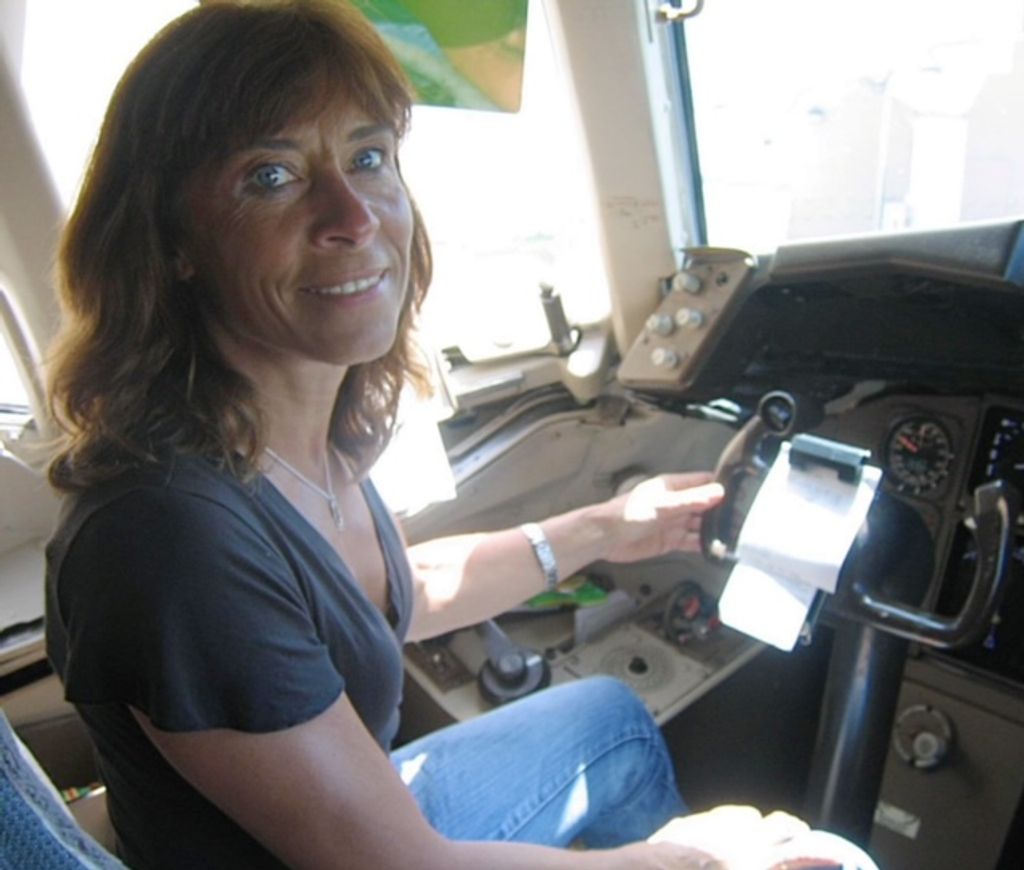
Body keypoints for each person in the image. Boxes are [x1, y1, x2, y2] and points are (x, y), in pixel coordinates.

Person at [41, 2, 801, 868]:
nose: (353, 215)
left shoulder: (295, 440)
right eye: (272, 176)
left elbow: (390, 592)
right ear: (171, 241)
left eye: (367, 158)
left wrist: (604, 529)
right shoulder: (169, 539)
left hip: (369, 821)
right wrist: (696, 860)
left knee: (611, 718)